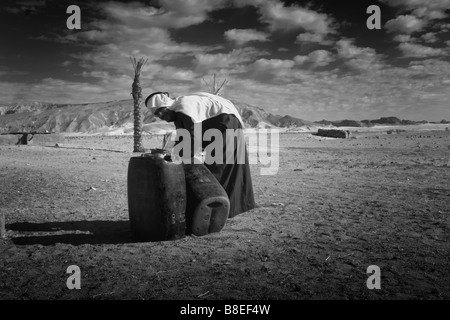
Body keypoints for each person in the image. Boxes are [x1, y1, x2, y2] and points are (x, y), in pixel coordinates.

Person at [144, 91, 256, 219]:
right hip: (226, 123)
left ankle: (218, 210)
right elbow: (183, 138)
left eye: (160, 111)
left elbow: (192, 137)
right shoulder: (179, 112)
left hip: (226, 123)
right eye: (156, 114)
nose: (160, 116)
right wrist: (175, 156)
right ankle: (236, 206)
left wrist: (180, 162)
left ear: (167, 105)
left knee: (218, 166)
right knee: (230, 164)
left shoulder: (183, 108)